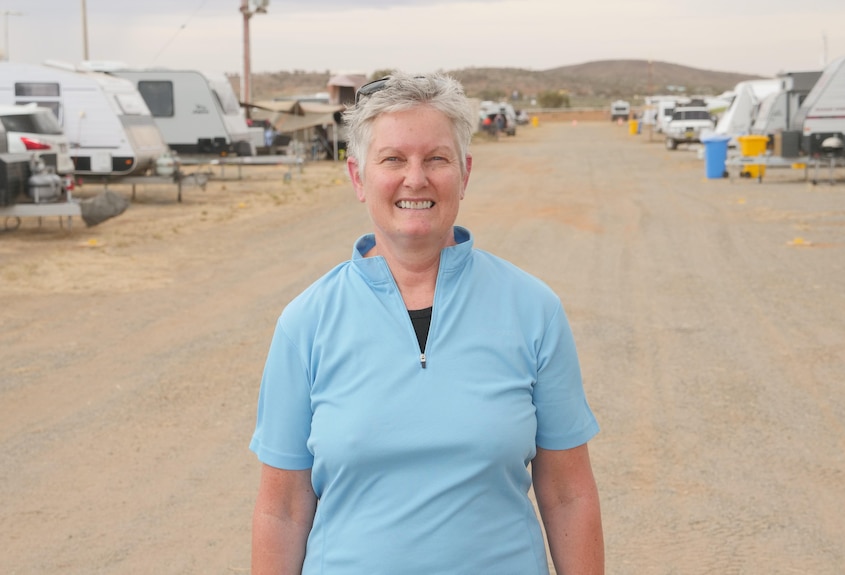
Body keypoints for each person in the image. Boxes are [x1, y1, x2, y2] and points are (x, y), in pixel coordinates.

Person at [249, 71, 604, 574]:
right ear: (357, 176)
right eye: (392, 159)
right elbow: (281, 510)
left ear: (464, 173)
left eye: (436, 159)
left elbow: (568, 494)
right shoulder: (305, 323)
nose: (415, 179)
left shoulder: (532, 310)